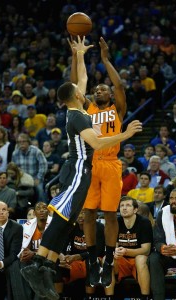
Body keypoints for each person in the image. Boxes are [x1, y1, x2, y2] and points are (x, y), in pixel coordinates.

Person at [20, 36, 142, 300]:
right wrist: (126, 134)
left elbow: (82, 79)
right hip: (78, 169)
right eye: (82, 90)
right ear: (77, 96)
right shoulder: (76, 115)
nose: (85, 89)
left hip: (86, 170)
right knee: (63, 218)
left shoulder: (79, 107)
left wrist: (79, 55)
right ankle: (36, 265)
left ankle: (46, 266)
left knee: (68, 220)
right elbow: (97, 142)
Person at [69, 36, 129, 288]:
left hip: (112, 163)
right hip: (91, 163)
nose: (98, 91)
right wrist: (76, 56)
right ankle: (93, 260)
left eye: (102, 89)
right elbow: (74, 87)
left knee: (110, 214)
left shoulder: (118, 109)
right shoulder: (88, 109)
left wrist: (104, 59)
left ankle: (109, 262)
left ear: (110, 95)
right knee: (89, 213)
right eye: (96, 90)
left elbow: (119, 86)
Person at [148, 188, 176, 300]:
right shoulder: (163, 213)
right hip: (170, 254)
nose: (173, 201)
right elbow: (157, 238)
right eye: (171, 198)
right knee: (154, 258)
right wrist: (162, 247)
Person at [113, 196, 153, 300]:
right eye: (121, 206)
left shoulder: (144, 222)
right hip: (123, 260)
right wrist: (116, 251)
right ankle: (111, 295)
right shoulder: (116, 222)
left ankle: (145, 297)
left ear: (135, 209)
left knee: (140, 258)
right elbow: (114, 246)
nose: (124, 208)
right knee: (108, 258)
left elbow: (146, 250)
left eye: (128, 205)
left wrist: (126, 251)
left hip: (138, 260)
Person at [0, 201, 23, 300]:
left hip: (8, 264)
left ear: (8, 213)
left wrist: (0, 264)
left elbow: (14, 253)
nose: (1, 212)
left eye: (4, 210)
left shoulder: (17, 228)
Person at [12, 133, 48, 202]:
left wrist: (38, 178)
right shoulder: (15, 154)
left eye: (23, 141)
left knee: (40, 190)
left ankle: (42, 207)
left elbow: (43, 165)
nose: (21, 144)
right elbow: (13, 168)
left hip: (35, 178)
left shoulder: (36, 151)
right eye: (19, 142)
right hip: (21, 179)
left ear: (28, 142)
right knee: (11, 190)